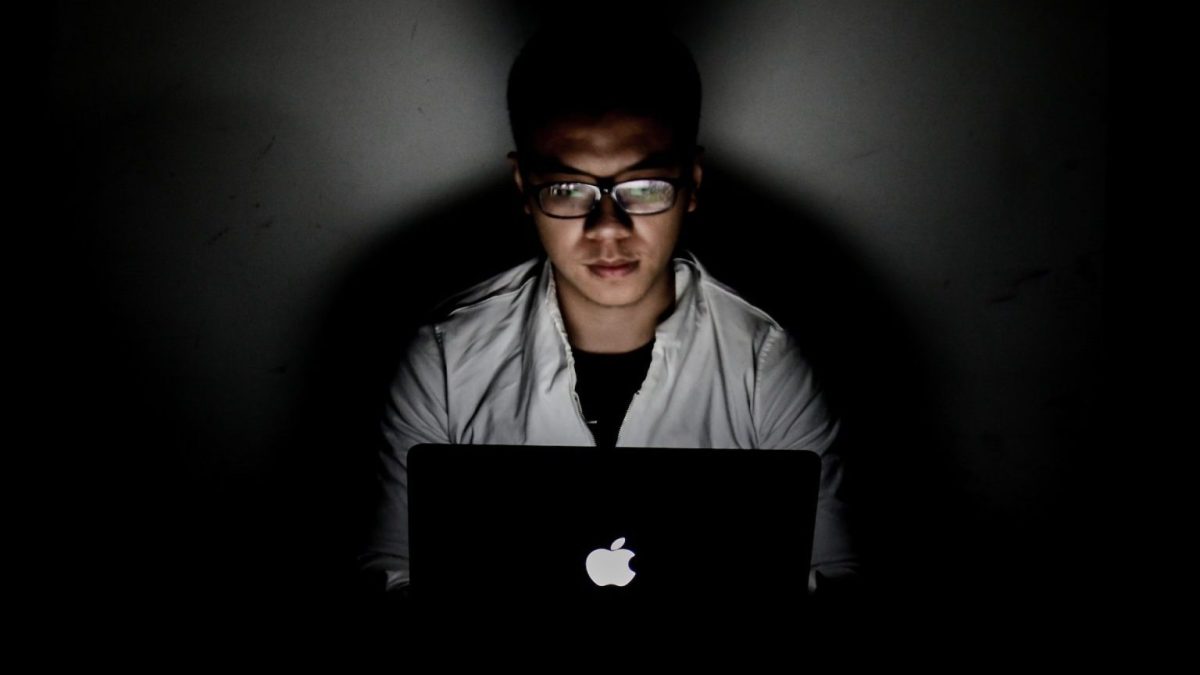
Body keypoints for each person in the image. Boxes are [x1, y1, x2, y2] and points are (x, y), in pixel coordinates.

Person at [359, 22, 859, 602]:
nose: (607, 229)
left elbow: (829, 574)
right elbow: (396, 569)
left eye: (644, 187)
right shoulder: (446, 358)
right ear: (524, 187)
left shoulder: (765, 364)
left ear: (692, 184)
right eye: (568, 189)